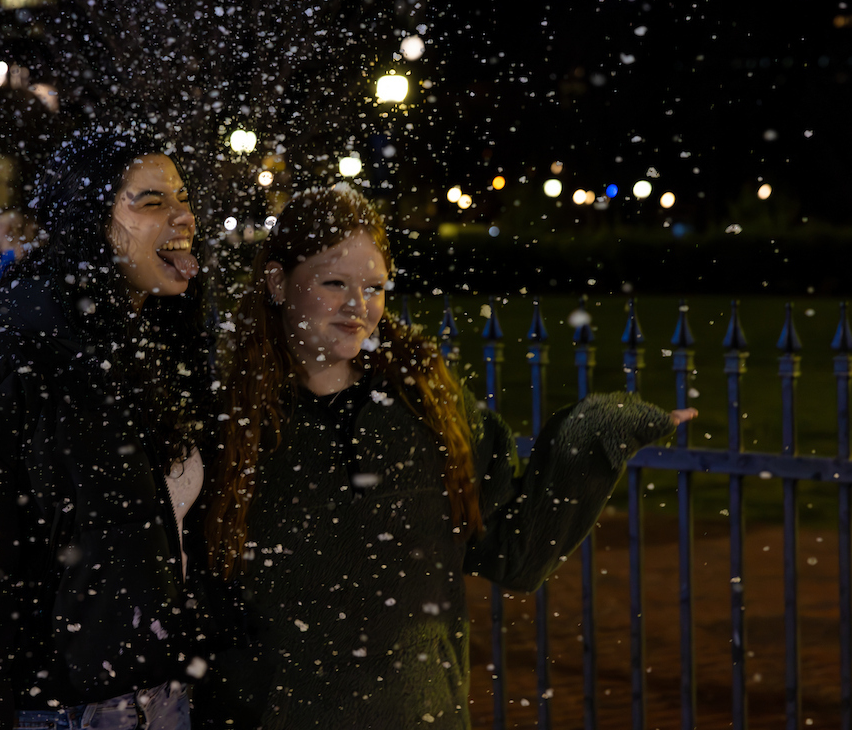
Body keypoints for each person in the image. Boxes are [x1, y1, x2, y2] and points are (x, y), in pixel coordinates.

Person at [200, 185, 696, 728]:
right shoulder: (228, 424)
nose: (357, 306)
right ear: (277, 282)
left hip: (414, 713)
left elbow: (514, 549)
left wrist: (595, 432)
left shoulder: (426, 407)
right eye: (333, 282)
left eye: (374, 286)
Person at [0, 132, 220, 730]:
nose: (184, 216)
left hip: (161, 702)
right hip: (61, 715)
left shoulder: (158, 358)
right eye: (150, 201)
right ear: (87, 221)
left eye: (183, 197)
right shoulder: (6, 370)